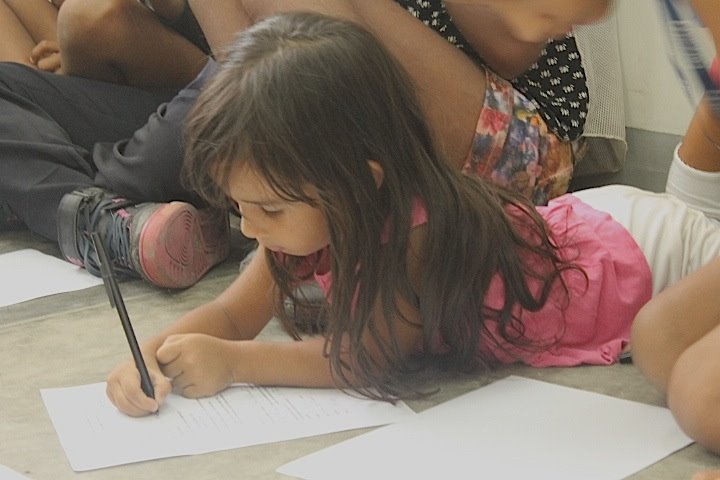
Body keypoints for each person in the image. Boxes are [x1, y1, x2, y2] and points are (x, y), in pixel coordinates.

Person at [106, 12, 720, 419]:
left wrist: (236, 363)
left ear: (359, 181)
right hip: (601, 225)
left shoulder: (413, 231)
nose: (249, 228)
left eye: (268, 207)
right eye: (240, 207)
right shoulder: (302, 222)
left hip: (652, 255)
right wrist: (151, 355)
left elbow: (364, 357)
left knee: (671, 353)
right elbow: (230, 315)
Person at [0, 0, 606, 289]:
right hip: (273, 108)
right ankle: (101, 214)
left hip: (514, 142)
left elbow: (515, 44)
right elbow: (247, 71)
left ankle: (91, 195)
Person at [0, 0, 210, 89]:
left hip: (199, 79)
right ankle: (35, 103)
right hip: (104, 58)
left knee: (89, 19)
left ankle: (37, 103)